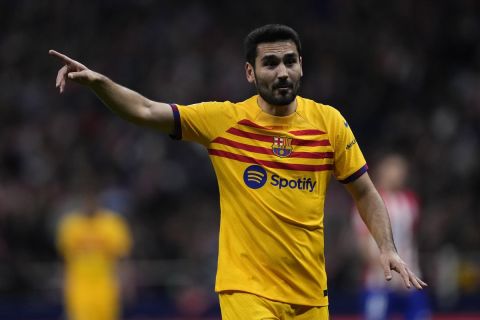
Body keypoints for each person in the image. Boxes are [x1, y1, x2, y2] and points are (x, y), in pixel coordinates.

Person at [50, 24, 426, 320]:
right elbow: (148, 111)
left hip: (311, 293)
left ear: (301, 66)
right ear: (250, 71)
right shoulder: (224, 121)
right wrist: (101, 85)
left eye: (290, 61)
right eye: (270, 63)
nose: (282, 71)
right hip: (246, 289)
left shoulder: (329, 124)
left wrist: (386, 247)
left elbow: (364, 192)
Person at [352, 154, 430, 320]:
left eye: (402, 169)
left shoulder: (411, 201)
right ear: (382, 171)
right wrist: (390, 274)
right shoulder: (367, 203)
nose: (399, 173)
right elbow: (363, 244)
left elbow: (411, 239)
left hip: (410, 280)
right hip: (378, 282)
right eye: (394, 168)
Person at [56, 191, 133, 320]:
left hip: (106, 285)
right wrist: (62, 283)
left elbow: (123, 257)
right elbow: (63, 259)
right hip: (79, 286)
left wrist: (126, 281)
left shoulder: (112, 224)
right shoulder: (71, 226)